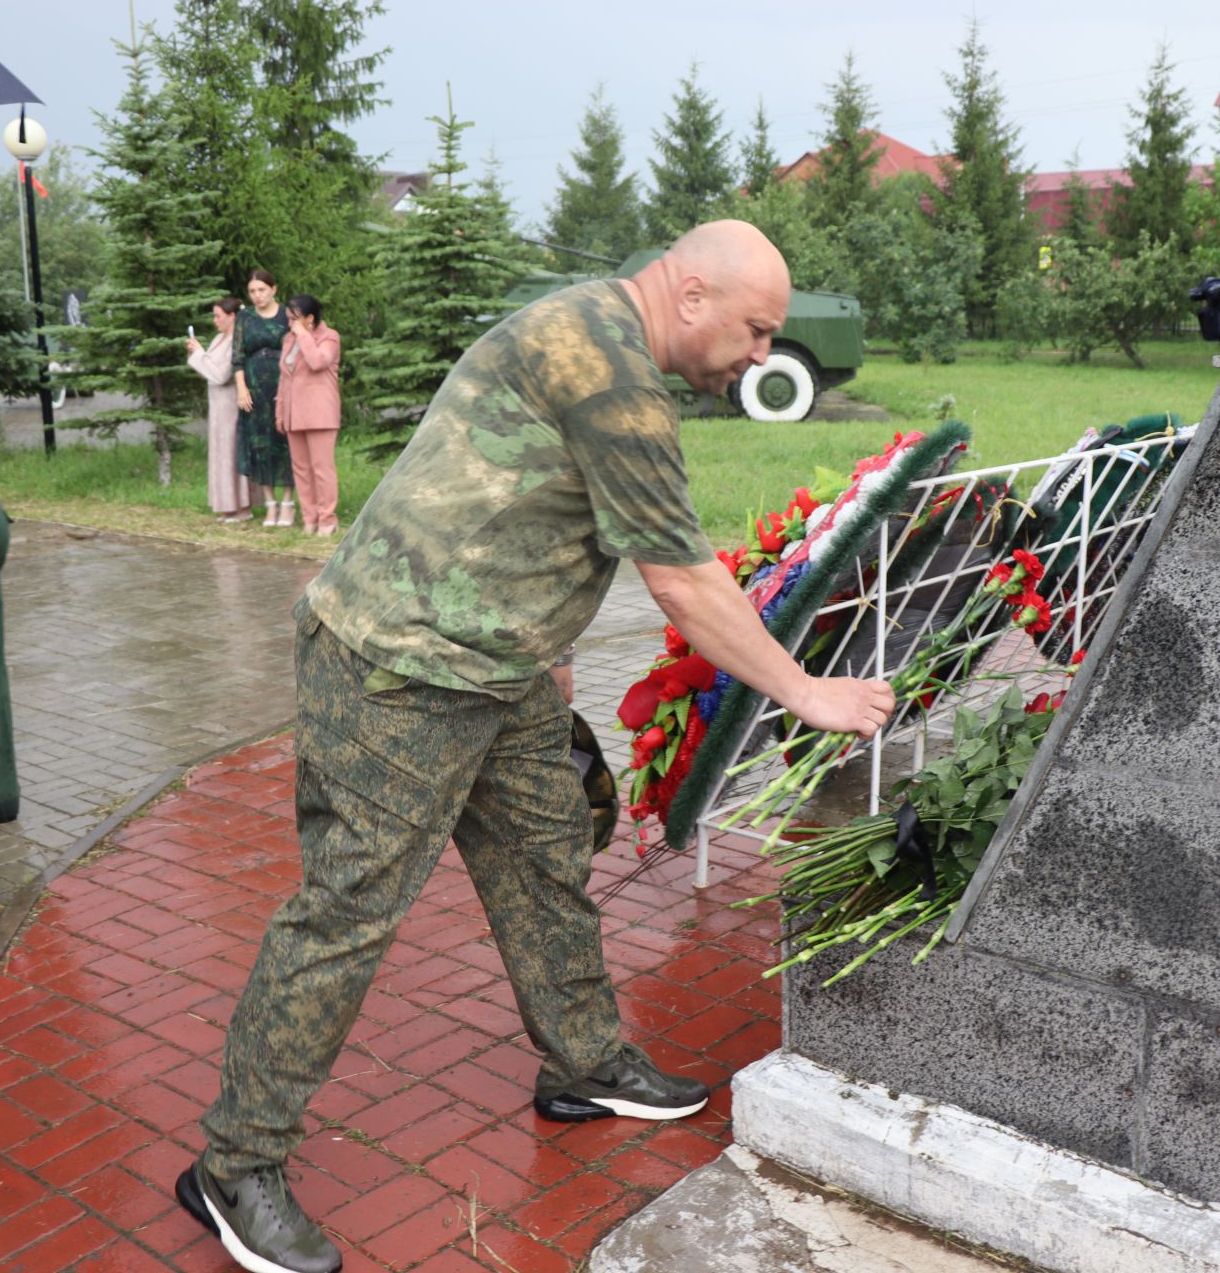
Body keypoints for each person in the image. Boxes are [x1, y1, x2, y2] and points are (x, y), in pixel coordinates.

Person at [176, 219, 895, 1273]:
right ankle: (232, 1163)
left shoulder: (592, 321)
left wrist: (545, 643)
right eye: (753, 330)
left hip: (494, 664)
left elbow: (503, 489)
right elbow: (686, 580)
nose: (757, 355)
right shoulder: (611, 375)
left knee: (546, 855)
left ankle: (583, 1061)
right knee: (346, 911)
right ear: (690, 292)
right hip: (399, 666)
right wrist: (805, 692)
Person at [274, 294, 341, 538]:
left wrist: (303, 335)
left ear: (310, 318)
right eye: (289, 319)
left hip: (320, 412)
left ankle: (327, 519)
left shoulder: (329, 337)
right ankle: (309, 518)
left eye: (295, 319)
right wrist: (280, 412)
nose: (290, 323)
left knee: (321, 469)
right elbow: (284, 378)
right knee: (301, 469)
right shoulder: (288, 339)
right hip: (294, 413)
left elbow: (317, 362)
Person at [234, 270, 294, 528]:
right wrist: (241, 388)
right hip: (255, 389)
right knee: (260, 445)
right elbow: (237, 356)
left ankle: (289, 503)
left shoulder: (286, 314)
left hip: (284, 386)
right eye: (252, 291)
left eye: (262, 290)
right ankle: (270, 504)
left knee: (286, 443)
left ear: (273, 289)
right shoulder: (244, 317)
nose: (257, 296)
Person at [190, 297, 254, 523]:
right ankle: (228, 506)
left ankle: (243, 507)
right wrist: (200, 355)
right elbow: (210, 368)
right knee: (221, 454)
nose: (215, 320)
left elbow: (220, 374)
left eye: (218, 315)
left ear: (232, 316)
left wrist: (198, 355)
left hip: (230, 405)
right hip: (217, 406)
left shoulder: (238, 340)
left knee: (232, 454)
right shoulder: (219, 338)